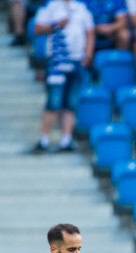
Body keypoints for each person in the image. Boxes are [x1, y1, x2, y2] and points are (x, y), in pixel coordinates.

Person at [33, 0, 95, 153]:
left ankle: (66, 140)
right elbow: (37, 28)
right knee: (53, 102)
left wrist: (88, 54)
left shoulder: (81, 8)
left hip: (76, 60)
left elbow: (90, 32)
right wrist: (56, 25)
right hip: (56, 61)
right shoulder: (49, 7)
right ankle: (43, 140)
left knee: (71, 102)